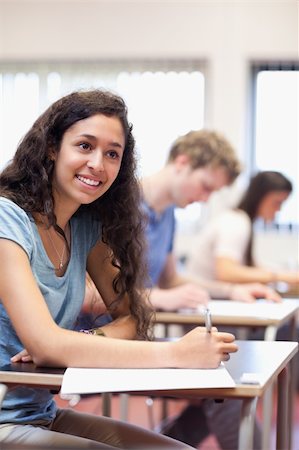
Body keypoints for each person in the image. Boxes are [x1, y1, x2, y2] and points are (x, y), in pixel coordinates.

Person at [0, 90, 238, 449]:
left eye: (113, 153)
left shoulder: (84, 227)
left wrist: (80, 343)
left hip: (40, 413)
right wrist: (177, 354)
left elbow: (132, 316)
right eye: (84, 146)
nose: (98, 163)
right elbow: (46, 345)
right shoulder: (7, 221)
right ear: (52, 148)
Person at [141, 130, 276, 449]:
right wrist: (162, 298)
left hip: (137, 325)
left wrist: (230, 290)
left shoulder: (167, 214)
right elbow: (99, 290)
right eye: (205, 187)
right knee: (228, 383)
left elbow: (172, 280)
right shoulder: (121, 205)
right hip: (111, 332)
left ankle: (169, 440)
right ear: (182, 162)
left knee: (228, 370)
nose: (204, 199)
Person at [186, 170, 299, 286]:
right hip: (204, 296)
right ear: (260, 197)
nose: (278, 210)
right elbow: (226, 273)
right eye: (277, 202)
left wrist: (284, 275)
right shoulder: (236, 222)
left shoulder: (240, 220)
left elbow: (251, 267)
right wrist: (280, 276)